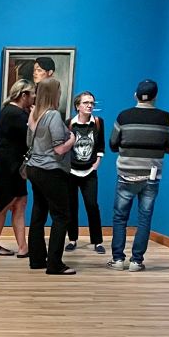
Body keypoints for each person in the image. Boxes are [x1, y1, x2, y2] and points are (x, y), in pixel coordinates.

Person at [108, 79, 169, 272]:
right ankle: (136, 261)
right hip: (151, 176)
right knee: (145, 218)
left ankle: (118, 259)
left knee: (120, 217)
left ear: (135, 95)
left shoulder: (123, 117)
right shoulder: (166, 119)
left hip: (126, 174)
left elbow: (113, 144)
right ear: (156, 96)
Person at [24, 77, 77, 275]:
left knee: (38, 214)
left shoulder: (34, 114)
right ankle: (55, 263)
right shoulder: (53, 115)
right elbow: (59, 149)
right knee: (61, 216)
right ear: (54, 93)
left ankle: (37, 259)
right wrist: (72, 138)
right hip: (51, 170)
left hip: (34, 169)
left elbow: (30, 142)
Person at [0, 79, 34, 257]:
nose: (34, 97)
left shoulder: (10, 111)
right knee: (3, 206)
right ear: (24, 95)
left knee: (19, 204)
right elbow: (30, 137)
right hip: (9, 166)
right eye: (32, 94)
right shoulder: (16, 114)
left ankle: (23, 247)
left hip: (11, 165)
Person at [65, 91, 106, 254]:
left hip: (89, 171)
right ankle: (72, 239)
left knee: (92, 205)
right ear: (77, 106)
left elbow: (101, 146)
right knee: (71, 206)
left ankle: (97, 241)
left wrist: (96, 163)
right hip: (71, 171)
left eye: (92, 103)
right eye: (86, 103)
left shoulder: (98, 122)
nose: (90, 106)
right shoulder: (69, 123)